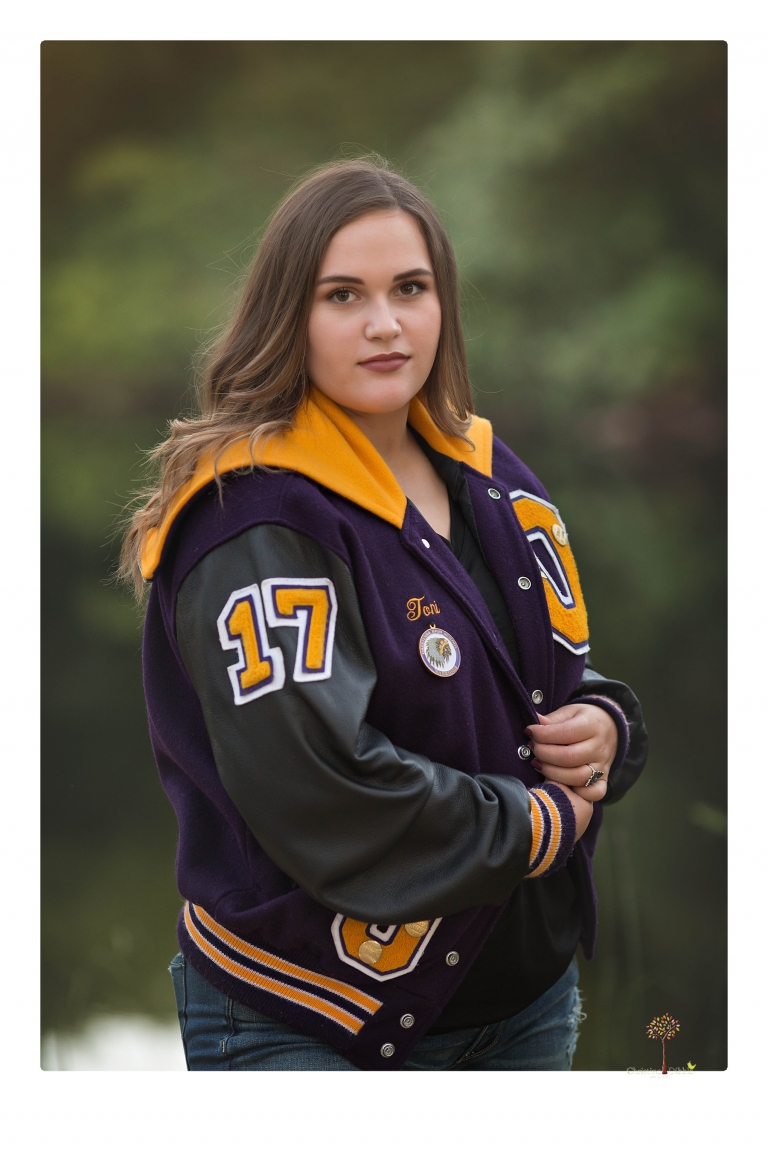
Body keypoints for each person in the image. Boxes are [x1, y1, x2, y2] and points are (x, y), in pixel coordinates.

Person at [121, 159, 647, 1071]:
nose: (384, 324)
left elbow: (534, 680)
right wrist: (537, 826)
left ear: (443, 304)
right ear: (291, 315)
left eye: (411, 288)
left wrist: (606, 723)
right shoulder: (253, 518)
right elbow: (320, 787)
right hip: (311, 1022)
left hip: (524, 1004)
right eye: (342, 295)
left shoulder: (486, 473)